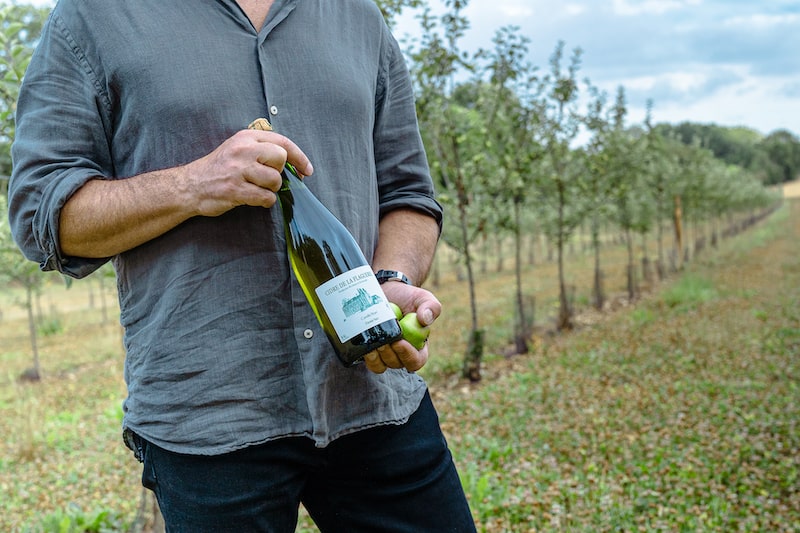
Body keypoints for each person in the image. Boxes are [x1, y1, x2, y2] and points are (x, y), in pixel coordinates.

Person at [8, 0, 476, 531]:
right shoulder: (92, 17)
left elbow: (408, 192)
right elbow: (40, 213)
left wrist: (393, 278)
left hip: (373, 399)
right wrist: (191, 185)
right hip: (210, 415)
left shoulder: (358, 16)